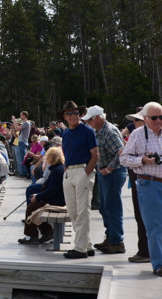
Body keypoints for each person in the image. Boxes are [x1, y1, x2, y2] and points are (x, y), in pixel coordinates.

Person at [120, 102, 162, 277]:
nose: (159, 120)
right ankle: (159, 263)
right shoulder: (138, 135)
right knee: (155, 226)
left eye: (161, 117)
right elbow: (124, 159)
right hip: (149, 184)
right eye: (154, 117)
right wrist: (143, 160)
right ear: (145, 118)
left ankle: (158, 252)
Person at [82, 105, 127, 254]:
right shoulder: (100, 130)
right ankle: (111, 237)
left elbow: (121, 152)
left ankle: (116, 242)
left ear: (98, 118)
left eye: (90, 120)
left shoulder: (109, 131)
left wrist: (108, 169)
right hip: (105, 172)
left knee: (112, 208)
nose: (88, 122)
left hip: (112, 173)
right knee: (104, 207)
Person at [58, 101, 99, 259]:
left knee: (83, 211)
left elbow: (95, 154)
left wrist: (86, 172)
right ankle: (87, 245)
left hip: (83, 170)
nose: (73, 116)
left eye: (76, 113)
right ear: (65, 116)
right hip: (69, 172)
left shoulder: (87, 131)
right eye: (70, 113)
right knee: (73, 211)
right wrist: (66, 169)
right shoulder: (66, 133)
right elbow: (66, 152)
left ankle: (80, 248)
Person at [18, 147, 66, 244]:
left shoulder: (57, 171)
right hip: (58, 199)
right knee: (35, 207)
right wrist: (38, 195)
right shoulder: (58, 169)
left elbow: (52, 191)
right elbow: (48, 187)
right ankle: (46, 231)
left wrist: (38, 197)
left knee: (31, 208)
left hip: (57, 202)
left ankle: (32, 236)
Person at [123, 110, 150, 263]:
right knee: (141, 217)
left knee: (146, 217)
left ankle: (147, 252)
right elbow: (125, 158)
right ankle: (146, 251)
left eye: (137, 120)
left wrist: (141, 160)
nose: (134, 123)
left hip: (144, 181)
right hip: (138, 180)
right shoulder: (137, 135)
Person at [16, 111, 31, 177]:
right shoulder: (25, 123)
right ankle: (22, 172)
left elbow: (17, 128)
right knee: (20, 158)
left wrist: (14, 121)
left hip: (22, 142)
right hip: (21, 142)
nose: (20, 116)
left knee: (22, 159)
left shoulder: (26, 123)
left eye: (21, 115)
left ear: (24, 116)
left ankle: (23, 173)